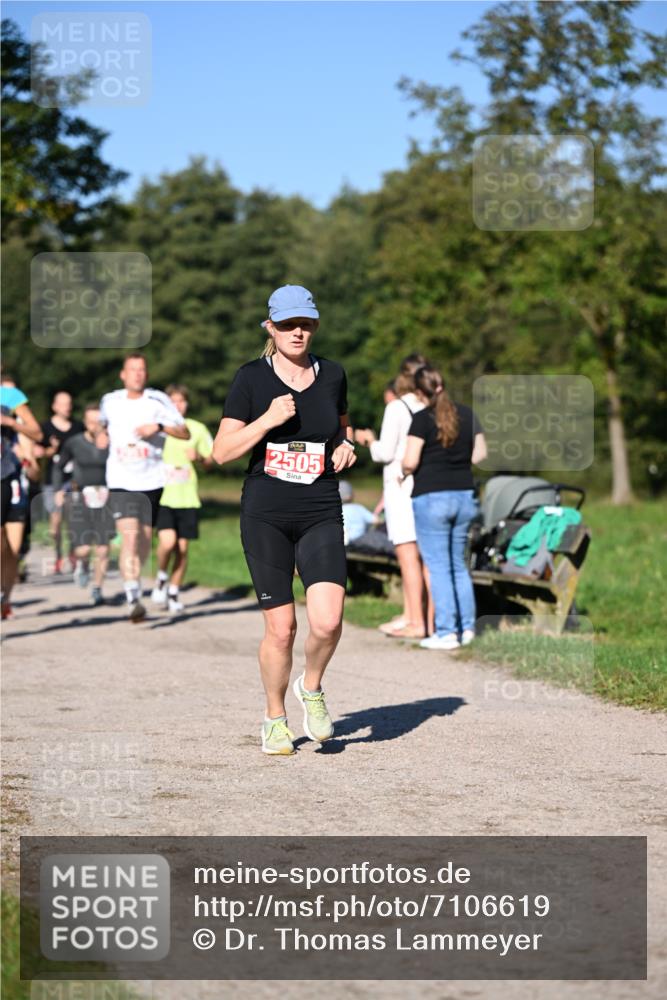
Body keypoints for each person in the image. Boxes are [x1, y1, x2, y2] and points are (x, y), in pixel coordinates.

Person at [213, 284, 356, 756]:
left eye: (307, 323)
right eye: (289, 324)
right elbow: (221, 452)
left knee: (329, 621)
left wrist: (346, 445)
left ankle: (310, 687)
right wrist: (267, 420)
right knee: (281, 629)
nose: (299, 331)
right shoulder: (251, 379)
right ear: (270, 327)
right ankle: (275, 718)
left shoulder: (333, 374)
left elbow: (342, 425)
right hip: (266, 513)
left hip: (319, 509)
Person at [402, 365, 487, 650]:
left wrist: (403, 469)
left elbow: (411, 460)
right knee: (457, 565)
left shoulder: (421, 419)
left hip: (431, 498)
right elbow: (480, 454)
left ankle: (447, 632)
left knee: (437, 567)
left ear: (418, 392)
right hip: (464, 496)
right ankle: (467, 628)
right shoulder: (467, 414)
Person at [98, 355, 189, 622]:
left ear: (146, 375)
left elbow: (184, 433)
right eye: (132, 370)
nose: (137, 374)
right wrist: (100, 436)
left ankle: (135, 584)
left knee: (144, 541)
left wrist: (158, 427)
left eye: (142, 370)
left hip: (152, 480)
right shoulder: (110, 401)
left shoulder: (158, 400)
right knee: (130, 536)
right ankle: (132, 595)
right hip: (121, 480)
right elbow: (102, 427)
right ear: (122, 375)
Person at [355, 353, 431, 638]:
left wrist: (369, 440)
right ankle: (426, 619)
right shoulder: (431, 404)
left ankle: (415, 620)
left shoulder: (397, 407)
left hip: (401, 487)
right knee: (426, 558)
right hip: (427, 486)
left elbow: (385, 453)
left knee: (408, 557)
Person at [150, 384, 214, 614]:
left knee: (183, 549)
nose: (178, 405)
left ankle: (174, 592)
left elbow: (211, 461)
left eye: (182, 401)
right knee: (167, 543)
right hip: (164, 496)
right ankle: (160, 577)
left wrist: (199, 458)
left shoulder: (197, 429)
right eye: (173, 401)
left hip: (187, 497)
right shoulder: (159, 430)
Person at [53, 404, 112, 606]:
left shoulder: (112, 443)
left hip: (106, 497)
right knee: (84, 549)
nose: (95, 425)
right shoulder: (74, 443)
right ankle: (83, 565)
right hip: (80, 497)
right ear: (85, 422)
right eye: (90, 421)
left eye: (99, 421)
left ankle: (97, 589)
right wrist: (59, 489)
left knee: (103, 548)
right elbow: (59, 466)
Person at [1, 377, 43, 618]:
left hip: (12, 484)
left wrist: (9, 422)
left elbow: (36, 433)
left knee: (13, 550)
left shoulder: (11, 400)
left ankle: (5, 599)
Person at [39, 391, 83, 573]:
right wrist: (52, 449)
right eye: (63, 404)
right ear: (55, 406)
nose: (67, 407)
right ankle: (57, 555)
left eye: (69, 403)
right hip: (51, 480)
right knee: (56, 520)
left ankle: (72, 554)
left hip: (73, 480)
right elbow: (37, 453)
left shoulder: (78, 427)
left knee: (72, 520)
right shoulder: (45, 428)